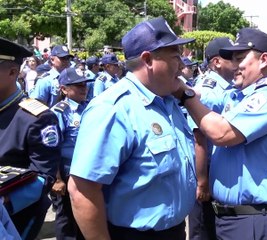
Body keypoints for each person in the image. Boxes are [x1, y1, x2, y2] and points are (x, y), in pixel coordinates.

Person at [67, 17, 197, 240]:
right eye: (176, 57)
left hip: (173, 232)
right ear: (148, 59)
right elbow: (82, 190)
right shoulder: (113, 109)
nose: (183, 66)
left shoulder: (168, 101)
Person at [177, 27, 267, 239]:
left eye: (240, 58)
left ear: (263, 60)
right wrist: (177, 85)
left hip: (254, 222)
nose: (234, 65)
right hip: (230, 219)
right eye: (232, 59)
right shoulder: (236, 95)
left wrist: (184, 96)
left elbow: (221, 134)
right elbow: (202, 94)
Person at [0, 37, 60, 239]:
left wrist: (5, 200)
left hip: (16, 215)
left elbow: (44, 177)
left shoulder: (37, 117)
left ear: (12, 72)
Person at [187, 37, 235, 240]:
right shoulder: (209, 91)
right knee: (202, 230)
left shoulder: (225, 87)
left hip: (216, 170)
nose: (237, 61)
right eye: (232, 57)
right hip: (205, 169)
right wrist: (202, 181)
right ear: (217, 62)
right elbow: (200, 138)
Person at [50, 67, 92, 240]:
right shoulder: (59, 112)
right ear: (64, 89)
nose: (84, 88)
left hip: (85, 170)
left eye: (84, 84)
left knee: (84, 214)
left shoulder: (88, 107)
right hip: (66, 172)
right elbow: (51, 149)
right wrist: (57, 179)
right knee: (66, 217)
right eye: (77, 85)